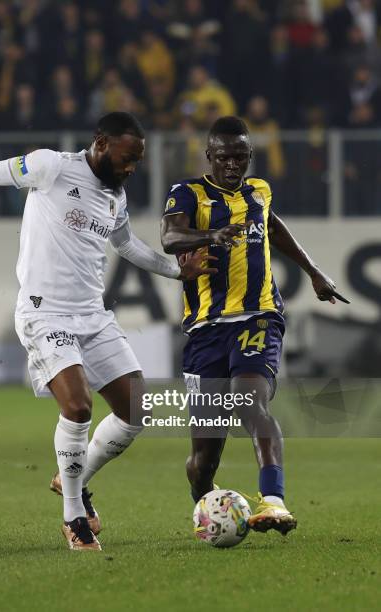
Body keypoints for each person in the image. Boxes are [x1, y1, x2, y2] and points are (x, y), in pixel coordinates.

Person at [0, 112, 219, 551]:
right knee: (77, 408)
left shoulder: (115, 196)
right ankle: (74, 516)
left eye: (137, 160)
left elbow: (128, 246)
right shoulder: (51, 166)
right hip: (45, 314)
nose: (131, 167)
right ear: (100, 142)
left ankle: (73, 480)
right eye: (126, 157)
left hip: (92, 316)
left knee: (138, 410)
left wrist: (177, 271)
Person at [160, 116, 338, 535]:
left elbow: (271, 224)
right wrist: (211, 236)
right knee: (203, 460)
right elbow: (170, 238)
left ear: (250, 157)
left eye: (240, 157)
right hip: (205, 329)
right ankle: (206, 503)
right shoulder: (188, 193)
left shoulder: (259, 191)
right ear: (209, 156)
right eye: (224, 157)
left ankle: (273, 500)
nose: (232, 165)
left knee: (248, 401)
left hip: (258, 317)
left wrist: (313, 271)